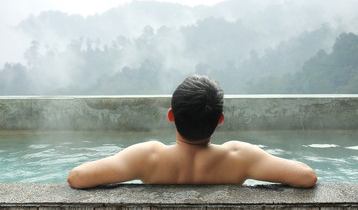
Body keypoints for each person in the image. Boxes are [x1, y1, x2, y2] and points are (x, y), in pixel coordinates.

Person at [67, 75, 317, 189]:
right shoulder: (239, 158)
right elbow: (306, 177)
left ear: (171, 116)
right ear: (220, 120)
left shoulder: (146, 157)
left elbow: (78, 177)